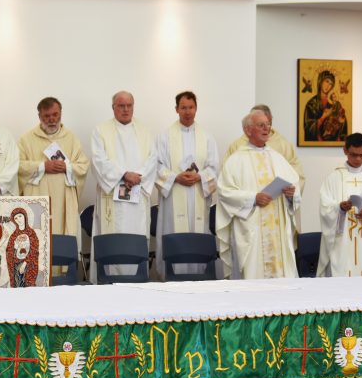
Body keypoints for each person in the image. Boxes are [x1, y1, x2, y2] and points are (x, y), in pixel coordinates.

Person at [215, 108, 301, 279]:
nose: (266, 129)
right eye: (261, 125)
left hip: (277, 234)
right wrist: (253, 198)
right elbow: (225, 192)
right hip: (252, 231)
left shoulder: (278, 158)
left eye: (268, 125)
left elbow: (294, 186)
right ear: (248, 130)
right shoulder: (236, 160)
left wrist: (291, 194)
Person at [89, 90, 158, 283]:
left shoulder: (144, 131)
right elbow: (98, 160)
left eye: (129, 105)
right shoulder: (101, 130)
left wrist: (139, 176)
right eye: (121, 105)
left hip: (137, 198)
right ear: (113, 108)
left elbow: (153, 159)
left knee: (136, 237)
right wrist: (123, 174)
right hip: (112, 199)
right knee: (113, 237)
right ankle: (109, 281)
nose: (126, 109)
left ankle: (136, 281)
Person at [154, 91, 219, 278]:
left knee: (198, 233)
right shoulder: (165, 137)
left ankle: (198, 275)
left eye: (191, 107)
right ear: (176, 109)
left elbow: (214, 167)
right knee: (174, 232)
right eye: (183, 107)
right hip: (174, 197)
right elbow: (157, 166)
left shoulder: (207, 137)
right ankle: (172, 276)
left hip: (198, 195)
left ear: (196, 109)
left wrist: (200, 177)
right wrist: (175, 177)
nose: (187, 111)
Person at [17, 96, 89, 241]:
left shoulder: (71, 138)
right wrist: (42, 166)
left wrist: (67, 166)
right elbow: (17, 166)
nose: (51, 119)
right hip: (37, 197)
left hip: (64, 198)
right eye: (47, 116)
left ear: (60, 113)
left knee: (63, 236)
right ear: (39, 116)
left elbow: (83, 166)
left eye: (55, 115)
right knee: (38, 237)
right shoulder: (26, 139)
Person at [316, 133, 362, 277]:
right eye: (354, 154)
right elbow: (325, 208)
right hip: (342, 243)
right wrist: (340, 208)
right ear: (345, 151)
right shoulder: (333, 178)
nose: (358, 159)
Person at [224, 104, 306, 192]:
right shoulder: (237, 146)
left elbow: (297, 175)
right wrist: (250, 198)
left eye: (268, 123)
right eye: (260, 124)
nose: (266, 128)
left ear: (271, 120)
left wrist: (291, 190)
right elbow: (226, 179)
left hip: (276, 200)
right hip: (249, 202)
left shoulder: (283, 145)